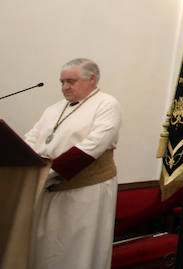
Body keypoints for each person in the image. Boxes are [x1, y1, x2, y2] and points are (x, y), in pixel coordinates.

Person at [23, 58, 122, 269]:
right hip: (48, 188)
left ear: (92, 79)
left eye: (71, 81)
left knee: (77, 250)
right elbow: (32, 138)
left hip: (86, 191)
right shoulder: (53, 109)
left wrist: (47, 173)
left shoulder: (106, 104)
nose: (65, 87)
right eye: (62, 82)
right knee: (46, 248)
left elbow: (94, 144)